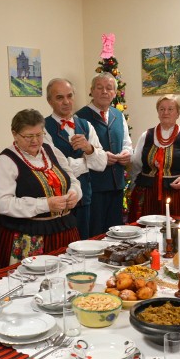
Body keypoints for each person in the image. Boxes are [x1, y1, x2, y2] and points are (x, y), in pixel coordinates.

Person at [0, 109, 82, 268]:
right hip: (28, 235)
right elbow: (4, 204)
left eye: (39, 135)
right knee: (33, 284)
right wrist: (45, 205)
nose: (35, 141)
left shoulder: (51, 150)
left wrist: (74, 193)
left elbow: (71, 178)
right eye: (28, 136)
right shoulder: (6, 160)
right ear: (15, 134)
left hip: (64, 229)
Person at [44, 78, 107, 239]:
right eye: (59, 97)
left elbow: (101, 164)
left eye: (69, 96)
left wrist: (89, 149)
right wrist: (86, 163)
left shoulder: (85, 125)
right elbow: (54, 167)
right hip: (59, 201)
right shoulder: (43, 128)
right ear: (49, 101)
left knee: (85, 243)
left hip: (85, 198)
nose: (66, 102)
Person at [128, 94, 180, 221]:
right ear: (157, 112)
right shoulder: (146, 136)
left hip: (179, 195)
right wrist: (136, 187)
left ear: (178, 113)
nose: (165, 112)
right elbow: (136, 164)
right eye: (162, 109)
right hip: (148, 194)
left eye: (170, 109)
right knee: (147, 233)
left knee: (177, 233)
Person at [76, 72, 133, 236]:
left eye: (109, 88)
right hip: (93, 186)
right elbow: (76, 152)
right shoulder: (80, 117)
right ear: (91, 91)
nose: (104, 92)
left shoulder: (118, 115)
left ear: (115, 93)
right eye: (99, 88)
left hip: (116, 185)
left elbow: (127, 143)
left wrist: (127, 153)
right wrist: (100, 157)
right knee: (95, 233)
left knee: (114, 232)